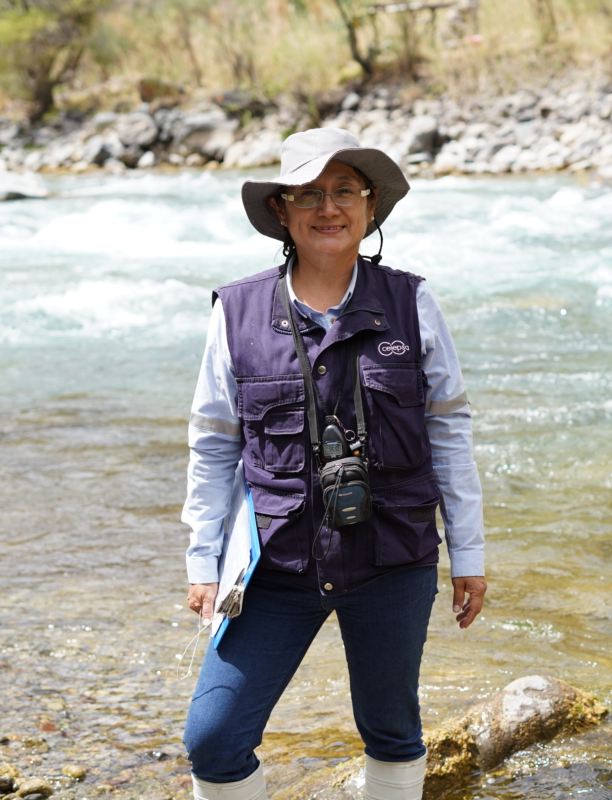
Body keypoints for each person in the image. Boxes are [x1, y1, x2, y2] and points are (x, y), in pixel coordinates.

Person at [181, 127, 486, 800]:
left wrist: (468, 553)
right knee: (214, 739)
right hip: (277, 565)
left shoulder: (414, 302)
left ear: (370, 207)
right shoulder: (235, 312)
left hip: (392, 559)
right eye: (309, 193)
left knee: (392, 730)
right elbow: (211, 444)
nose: (329, 208)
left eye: (344, 190)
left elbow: (450, 431)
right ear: (283, 212)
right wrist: (203, 562)